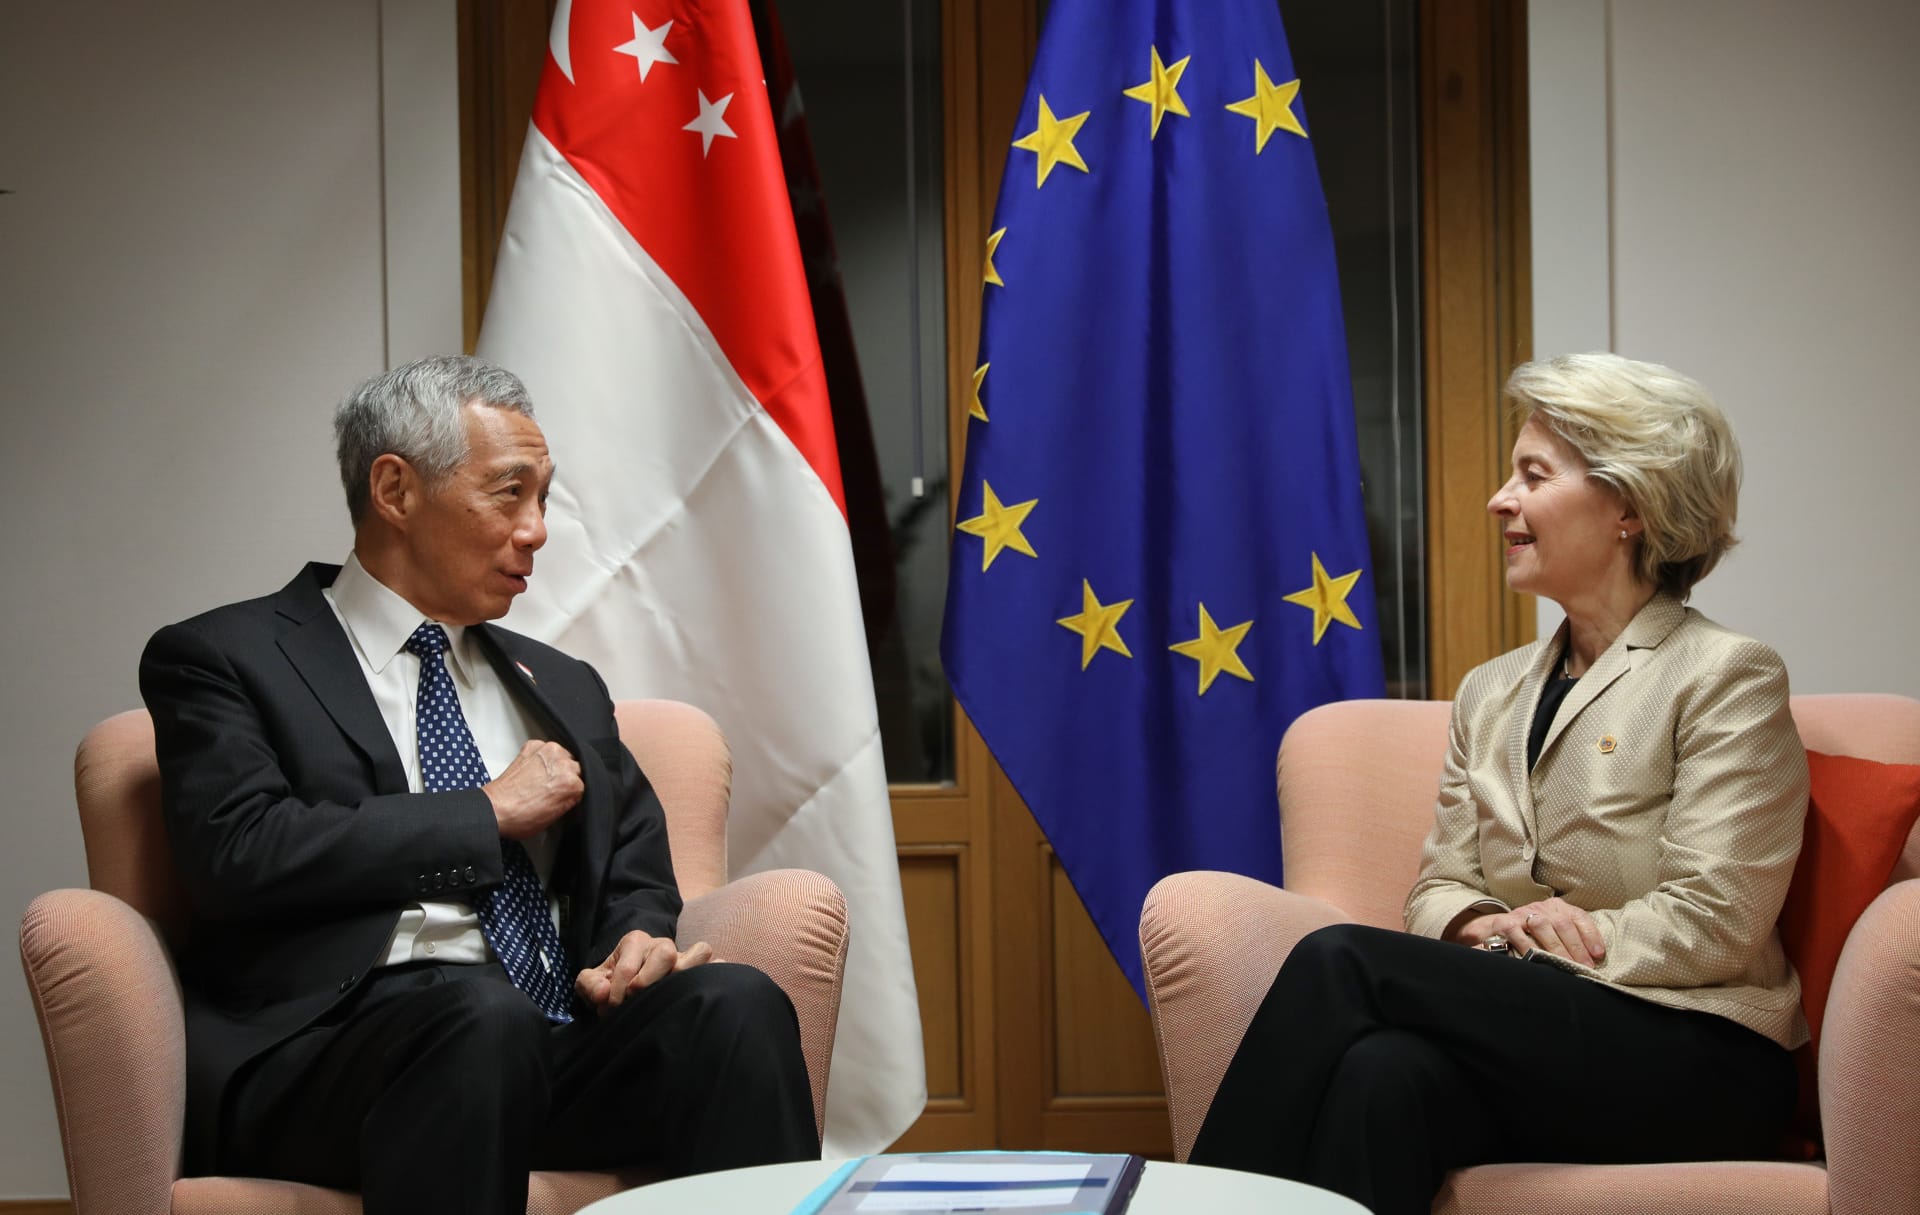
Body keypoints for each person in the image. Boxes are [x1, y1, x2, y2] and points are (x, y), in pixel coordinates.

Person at [139, 356, 818, 1215]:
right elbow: (237, 852)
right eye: (509, 493)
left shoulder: (562, 684)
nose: (536, 529)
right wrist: (483, 813)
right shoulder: (228, 658)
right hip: (332, 1057)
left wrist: (635, 944)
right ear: (395, 490)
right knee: (475, 1016)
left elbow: (633, 860)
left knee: (735, 1004)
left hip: (547, 1041)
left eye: (544, 497)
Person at [1188, 352, 1808, 1214]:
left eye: (1532, 475)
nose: (1499, 499)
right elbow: (1441, 882)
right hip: (1549, 1041)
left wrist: (1546, 947)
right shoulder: (1491, 690)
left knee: (1339, 960)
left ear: (1629, 505)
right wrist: (1486, 922)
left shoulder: (1726, 674)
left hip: (1698, 1053)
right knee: (1382, 1074)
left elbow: (1720, 921)